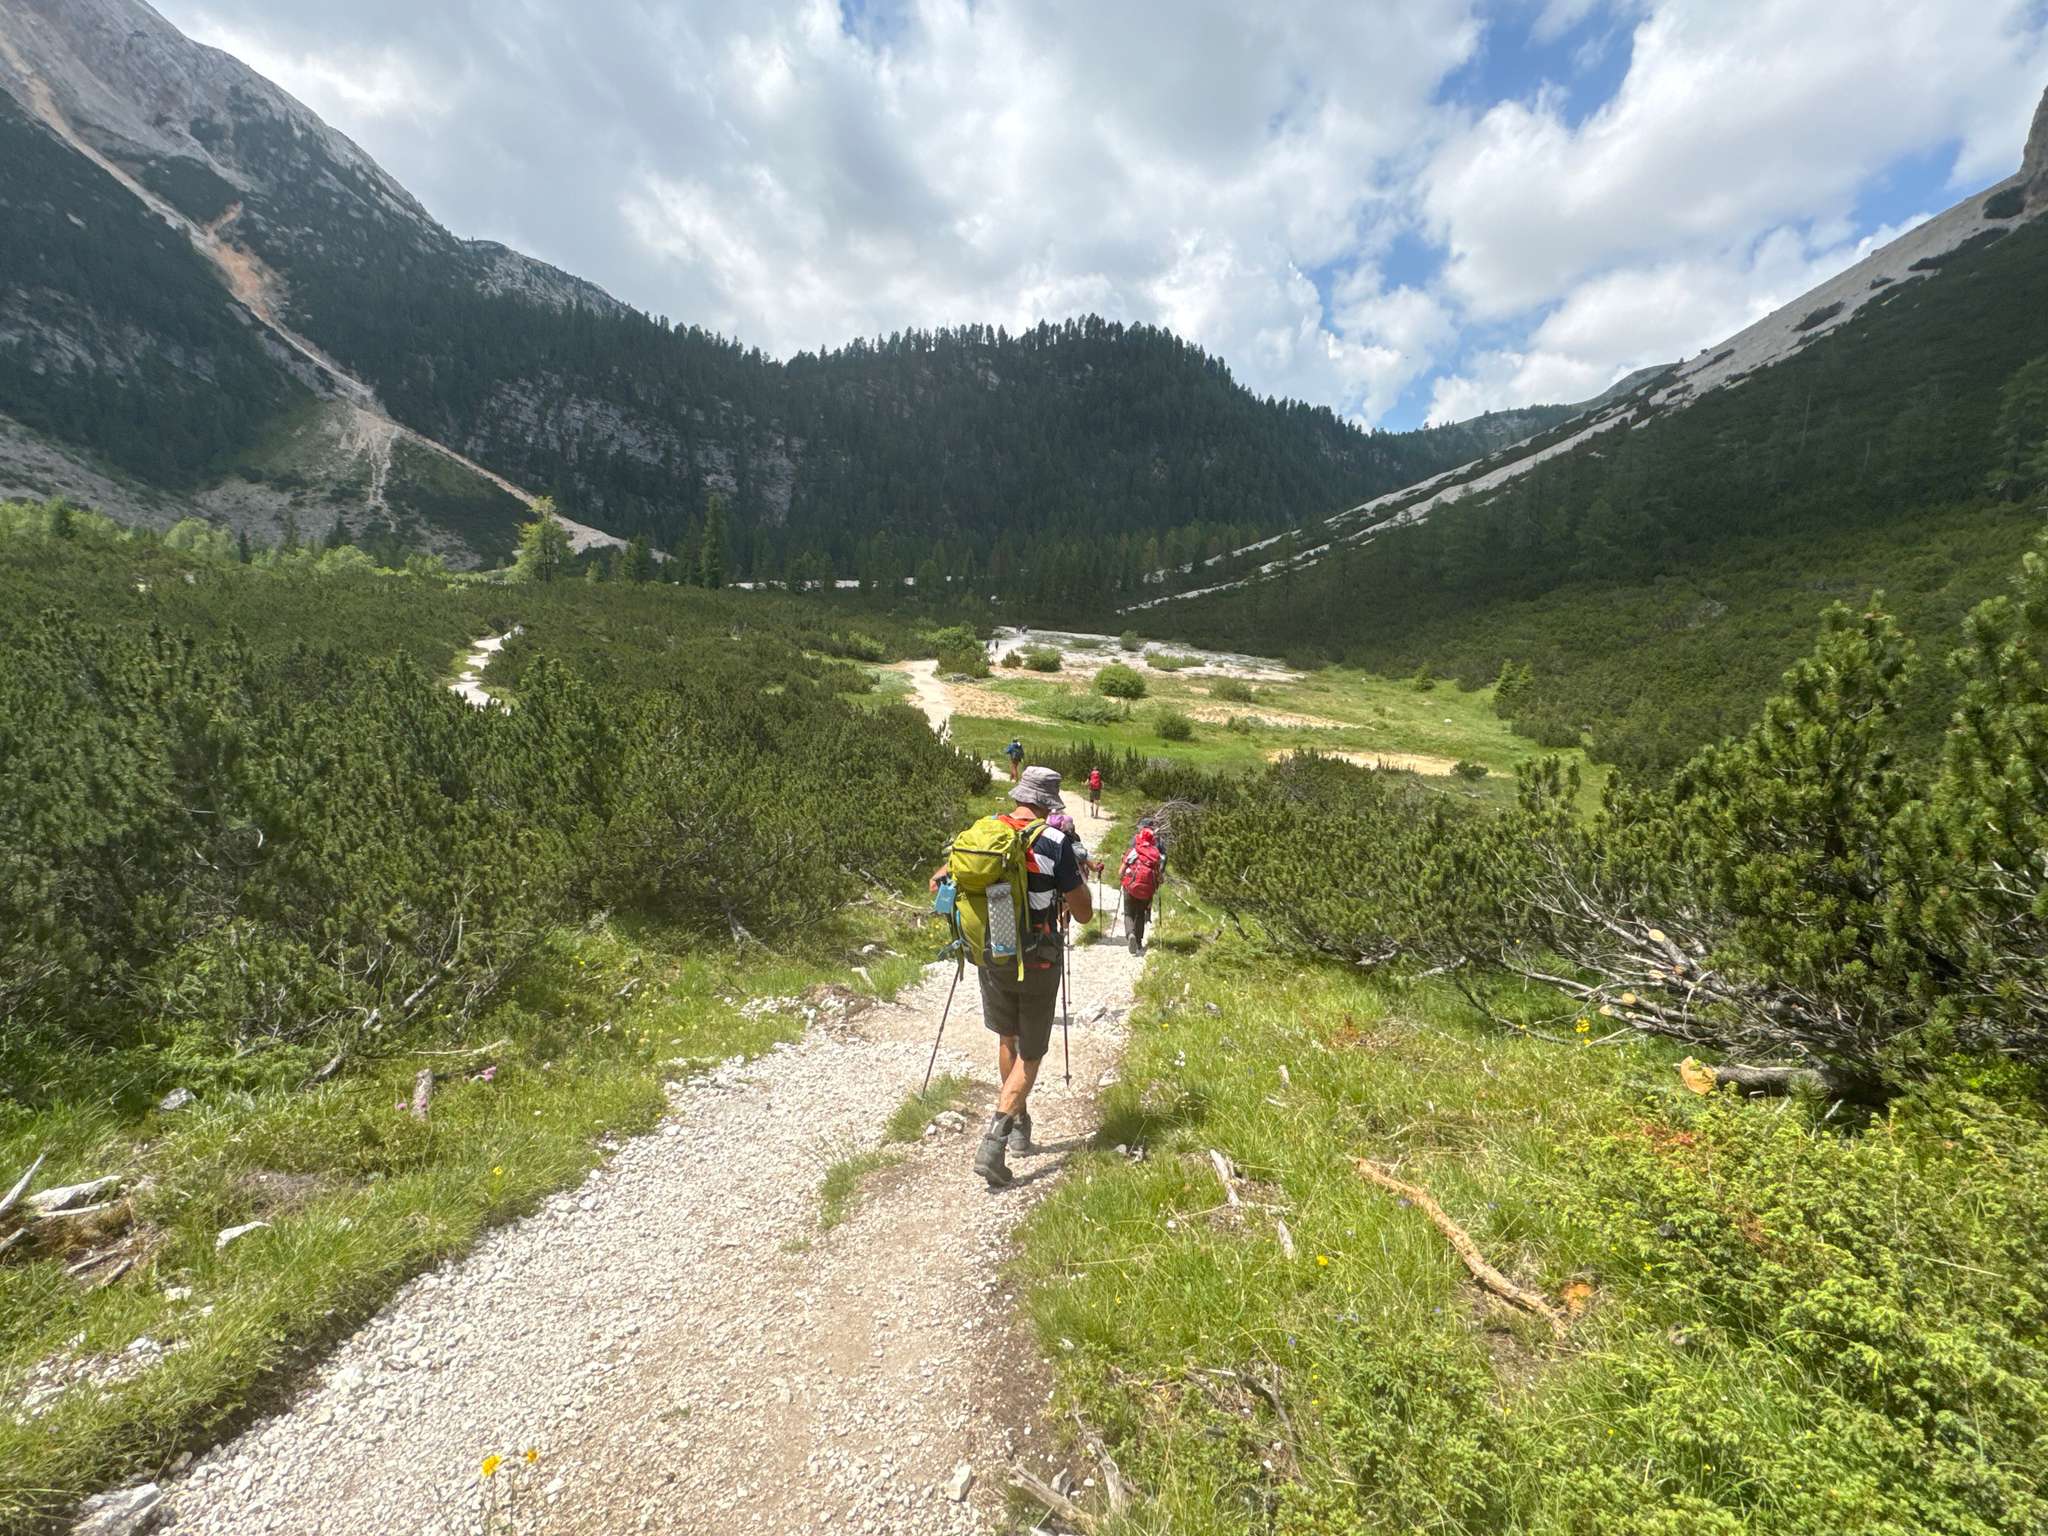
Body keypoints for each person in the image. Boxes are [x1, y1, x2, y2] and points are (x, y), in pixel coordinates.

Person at [930, 767, 1092, 1189]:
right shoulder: (1054, 841)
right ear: (1048, 804)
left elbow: (941, 880)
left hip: (992, 955)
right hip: (1038, 960)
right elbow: (1083, 913)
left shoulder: (983, 833)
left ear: (1020, 797)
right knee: (1032, 1054)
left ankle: (1020, 1124)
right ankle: (995, 1140)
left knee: (1008, 1039)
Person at [1119, 818, 1166, 955]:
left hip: (1131, 886)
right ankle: (1138, 942)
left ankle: (1130, 934)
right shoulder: (1155, 855)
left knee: (1128, 913)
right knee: (1140, 913)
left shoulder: (1134, 851)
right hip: (1147, 890)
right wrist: (1159, 882)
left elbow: (1120, 872)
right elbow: (1159, 876)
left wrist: (1123, 879)